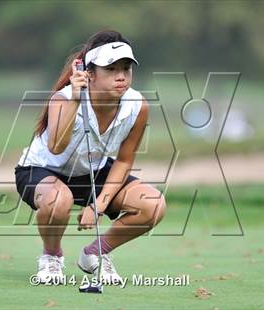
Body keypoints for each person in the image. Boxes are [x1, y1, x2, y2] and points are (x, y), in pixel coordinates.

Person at [15, 30, 166, 285]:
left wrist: (99, 207)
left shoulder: (137, 105)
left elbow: (124, 160)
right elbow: (56, 147)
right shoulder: (63, 99)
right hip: (42, 169)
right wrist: (75, 99)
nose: (121, 76)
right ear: (89, 73)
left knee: (153, 205)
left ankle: (96, 253)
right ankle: (51, 257)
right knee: (58, 201)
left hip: (91, 170)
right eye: (111, 69)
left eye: (126, 68)